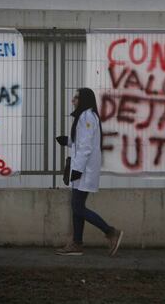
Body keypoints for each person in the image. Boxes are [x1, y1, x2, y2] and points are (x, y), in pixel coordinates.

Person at [54, 87, 123, 256]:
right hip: (82, 169)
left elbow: (86, 146)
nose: (73, 101)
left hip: (83, 170)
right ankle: (77, 244)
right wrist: (68, 141)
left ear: (84, 99)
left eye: (76, 97)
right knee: (77, 206)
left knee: (77, 206)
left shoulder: (86, 117)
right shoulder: (85, 116)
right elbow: (81, 142)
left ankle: (110, 232)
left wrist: (77, 170)